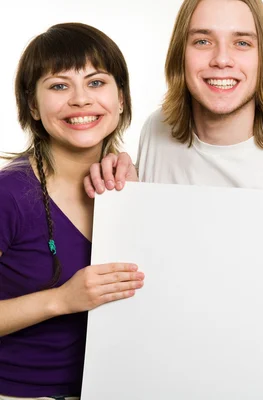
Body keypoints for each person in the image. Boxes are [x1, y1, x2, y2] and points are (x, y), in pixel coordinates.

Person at [0, 23, 144, 399]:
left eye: (96, 82)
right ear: (32, 104)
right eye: (59, 85)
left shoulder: (138, 188)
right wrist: (61, 300)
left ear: (122, 98)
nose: (81, 100)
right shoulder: (9, 193)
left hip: (117, 387)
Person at [84, 0, 263, 195]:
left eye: (242, 43)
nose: (222, 59)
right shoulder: (157, 128)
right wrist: (129, 193)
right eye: (203, 41)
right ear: (181, 54)